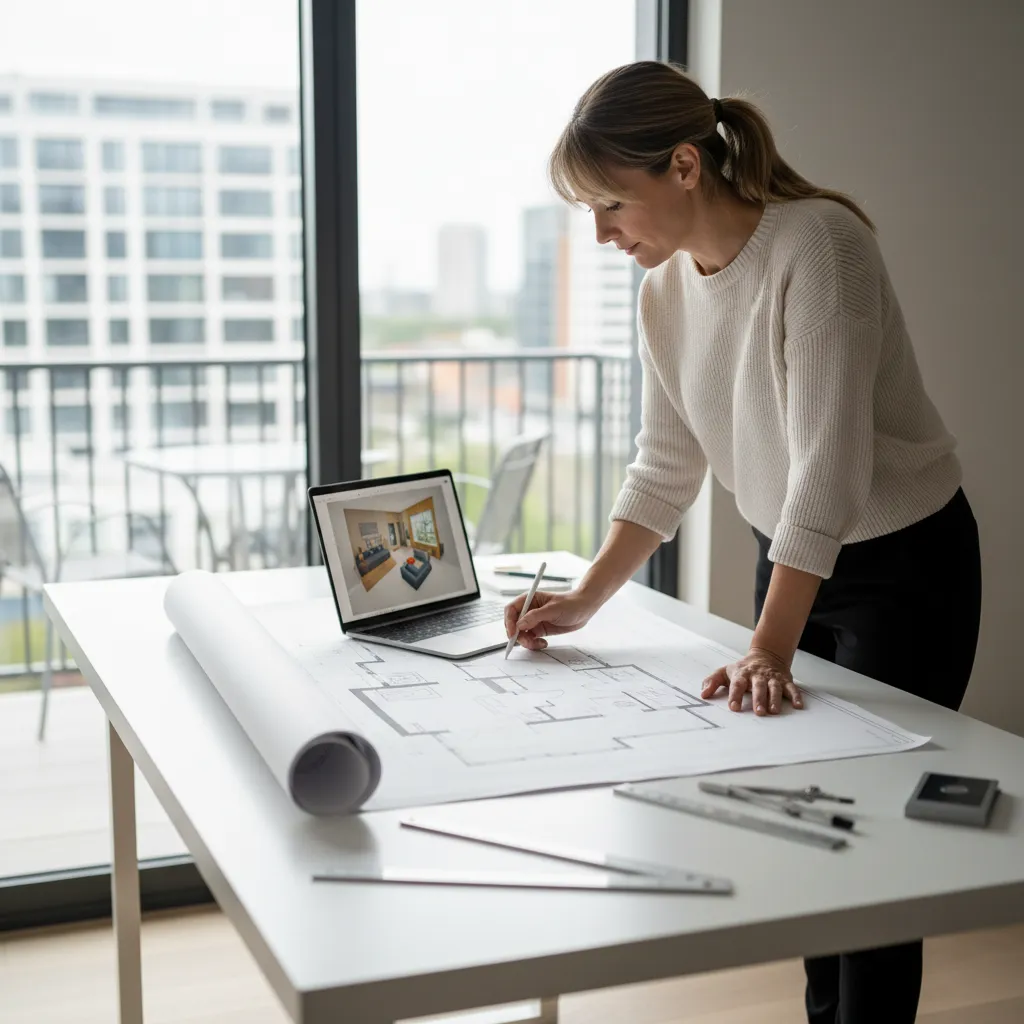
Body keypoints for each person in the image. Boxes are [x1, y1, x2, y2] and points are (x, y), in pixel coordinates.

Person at [504, 61, 982, 1024]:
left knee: (879, 843)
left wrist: (767, 643)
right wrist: (586, 598)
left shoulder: (823, 248)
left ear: (685, 165)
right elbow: (667, 465)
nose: (601, 234)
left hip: (903, 564)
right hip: (794, 557)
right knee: (813, 823)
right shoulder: (664, 295)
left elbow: (832, 473)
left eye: (610, 204)